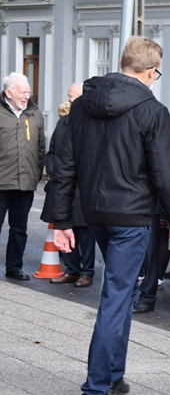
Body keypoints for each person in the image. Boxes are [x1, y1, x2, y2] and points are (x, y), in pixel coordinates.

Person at [50, 35, 170, 395]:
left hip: (95, 213)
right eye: (157, 73)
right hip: (131, 216)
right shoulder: (152, 110)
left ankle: (112, 376)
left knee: (121, 295)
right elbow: (165, 174)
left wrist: (62, 219)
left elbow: (65, 165)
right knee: (115, 298)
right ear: (150, 71)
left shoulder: (83, 104)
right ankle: (95, 392)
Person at [46, 83, 95, 288]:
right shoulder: (63, 122)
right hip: (63, 186)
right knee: (65, 226)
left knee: (85, 233)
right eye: (68, 95)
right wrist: (52, 170)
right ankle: (72, 269)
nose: (67, 99)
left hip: (83, 187)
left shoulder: (92, 124)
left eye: (71, 96)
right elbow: (52, 152)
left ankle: (87, 272)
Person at [0, 71, 45, 281]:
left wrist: (36, 174)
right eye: (23, 92)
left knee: (19, 229)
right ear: (9, 93)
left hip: (25, 183)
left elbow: (41, 147)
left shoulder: (34, 114)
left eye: (28, 92)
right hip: (1, 182)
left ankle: (14, 267)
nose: (27, 96)